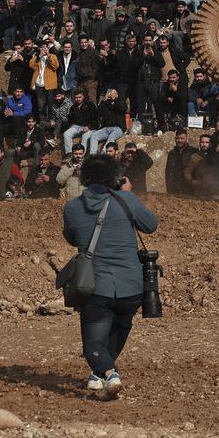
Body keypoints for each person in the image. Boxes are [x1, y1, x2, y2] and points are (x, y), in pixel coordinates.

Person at [62, 153, 158, 398]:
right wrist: (126, 194)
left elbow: (72, 239)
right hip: (133, 286)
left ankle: (109, 372)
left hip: (95, 286)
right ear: (115, 177)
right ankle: (97, 376)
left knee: (93, 342)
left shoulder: (73, 208)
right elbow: (151, 225)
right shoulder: (126, 199)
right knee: (121, 325)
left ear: (85, 178)